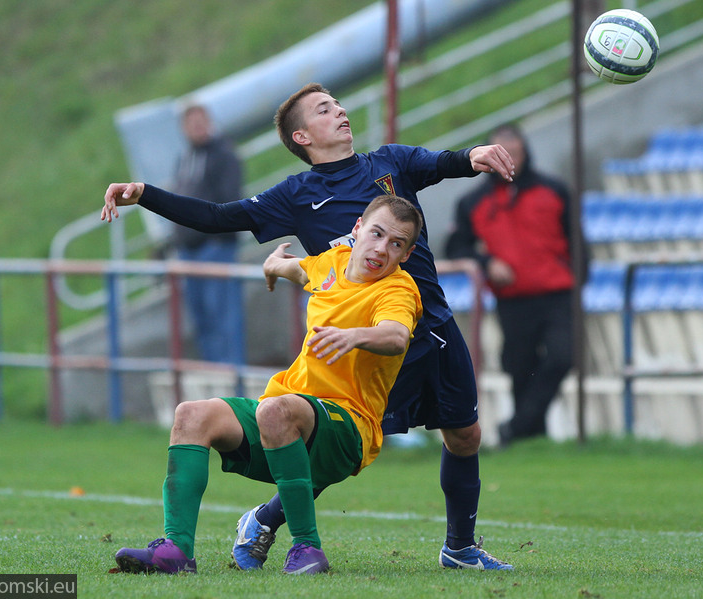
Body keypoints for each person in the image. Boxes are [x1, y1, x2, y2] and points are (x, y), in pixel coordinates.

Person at [102, 82, 516, 571]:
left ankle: (460, 548)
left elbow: (443, 162)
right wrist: (146, 195)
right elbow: (217, 217)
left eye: (338, 104)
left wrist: (476, 154)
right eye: (325, 109)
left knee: (464, 436)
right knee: (329, 447)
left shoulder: (391, 162)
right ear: (302, 136)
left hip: (431, 329)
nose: (340, 111)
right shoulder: (296, 195)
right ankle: (266, 522)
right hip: (362, 349)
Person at [111, 195, 424, 575]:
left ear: (406, 255)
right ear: (357, 229)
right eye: (376, 233)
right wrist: (274, 265)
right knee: (191, 414)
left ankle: (306, 548)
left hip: (348, 428)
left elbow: (394, 335)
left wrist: (354, 336)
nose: (381, 249)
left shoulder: (397, 290)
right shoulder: (332, 263)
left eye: (396, 244)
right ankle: (177, 550)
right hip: (284, 412)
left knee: (276, 410)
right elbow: (302, 271)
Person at [445, 123, 586, 446]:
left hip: (557, 293)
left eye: (517, 152)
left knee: (563, 357)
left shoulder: (553, 190)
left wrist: (581, 282)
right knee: (519, 368)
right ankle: (531, 436)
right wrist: (486, 264)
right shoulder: (473, 201)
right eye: (503, 153)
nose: (511, 160)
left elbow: (578, 241)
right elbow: (457, 247)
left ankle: (518, 428)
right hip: (512, 299)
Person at [171, 104, 245, 364]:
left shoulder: (224, 155)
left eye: (201, 121)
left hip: (215, 248)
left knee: (223, 317)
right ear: (183, 129)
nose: (197, 127)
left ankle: (231, 383)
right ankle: (213, 381)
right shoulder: (184, 159)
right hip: (188, 251)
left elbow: (229, 201)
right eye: (191, 123)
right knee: (201, 319)